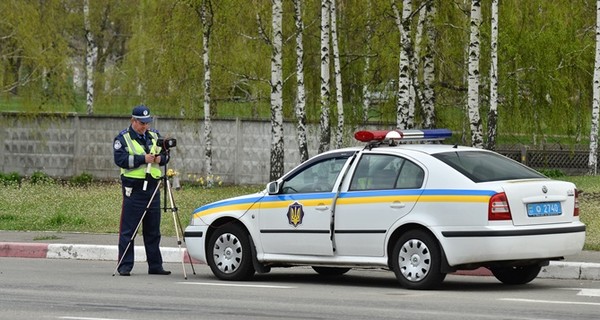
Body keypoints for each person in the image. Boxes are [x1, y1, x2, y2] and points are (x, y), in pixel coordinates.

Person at [113, 105, 171, 276]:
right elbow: (121, 160)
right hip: (134, 189)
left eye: (147, 122)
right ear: (133, 121)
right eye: (142, 123)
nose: (145, 126)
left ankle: (155, 265)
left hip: (153, 188)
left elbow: (166, 155)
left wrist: (161, 159)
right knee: (129, 230)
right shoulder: (123, 138)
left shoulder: (154, 136)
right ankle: (124, 265)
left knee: (153, 231)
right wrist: (142, 159)